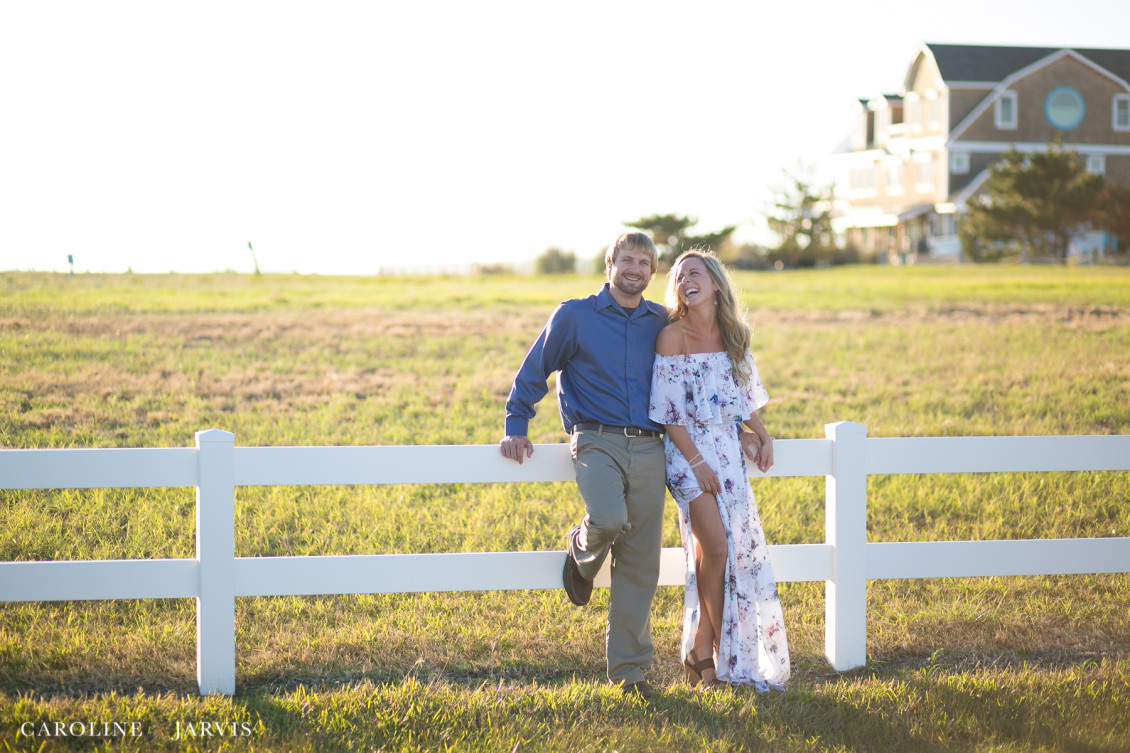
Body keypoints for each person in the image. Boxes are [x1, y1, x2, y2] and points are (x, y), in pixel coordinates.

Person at [500, 231, 668, 699]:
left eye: (644, 263)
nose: (635, 270)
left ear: (652, 273)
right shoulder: (575, 315)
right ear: (609, 264)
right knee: (609, 517)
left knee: (640, 563)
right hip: (596, 438)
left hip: (652, 446)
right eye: (627, 261)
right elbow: (535, 369)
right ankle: (580, 550)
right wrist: (517, 423)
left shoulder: (662, 321)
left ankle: (630, 672)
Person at [648, 248, 790, 690]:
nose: (685, 279)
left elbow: (742, 400)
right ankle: (706, 644)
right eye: (678, 275)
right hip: (686, 451)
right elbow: (669, 415)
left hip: (727, 451)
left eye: (695, 272)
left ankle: (701, 649)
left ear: (714, 284)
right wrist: (696, 462)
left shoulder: (734, 336)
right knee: (716, 545)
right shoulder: (672, 337)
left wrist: (759, 433)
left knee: (726, 550)